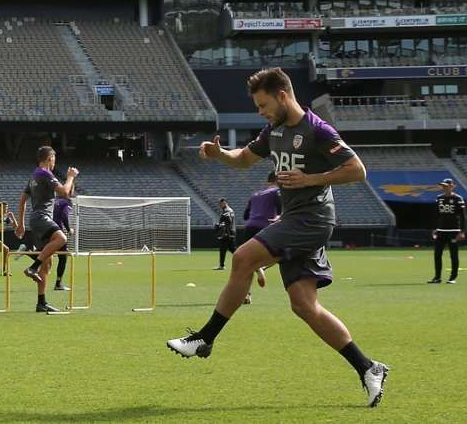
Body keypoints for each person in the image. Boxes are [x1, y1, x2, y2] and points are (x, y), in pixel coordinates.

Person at [167, 67, 389, 409]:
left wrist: (311, 178)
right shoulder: (274, 130)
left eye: (263, 104)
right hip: (296, 219)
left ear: (283, 96)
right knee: (304, 305)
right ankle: (368, 367)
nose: (260, 112)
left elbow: (357, 169)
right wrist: (219, 154)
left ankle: (204, 338)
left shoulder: (317, 130)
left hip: (311, 218)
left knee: (242, 258)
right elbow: (244, 159)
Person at [14, 146, 76, 314]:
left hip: (36, 220)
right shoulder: (45, 173)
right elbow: (64, 192)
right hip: (42, 218)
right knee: (61, 239)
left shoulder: (34, 175)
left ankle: (41, 303)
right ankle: (33, 267)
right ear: (50, 159)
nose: (55, 163)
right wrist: (70, 176)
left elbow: (22, 200)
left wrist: (21, 224)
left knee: (47, 264)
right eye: (54, 159)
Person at [241, 172, 280, 303]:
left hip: (250, 227)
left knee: (247, 263)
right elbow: (282, 209)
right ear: (277, 180)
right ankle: (261, 267)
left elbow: (245, 215)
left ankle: (246, 296)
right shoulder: (277, 192)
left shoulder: (255, 194)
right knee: (284, 254)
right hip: (266, 226)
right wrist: (279, 217)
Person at [430, 178, 466, 284]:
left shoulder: (458, 199)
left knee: (453, 255)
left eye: (447, 186)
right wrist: (435, 229)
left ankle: (452, 278)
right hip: (441, 230)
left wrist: (462, 231)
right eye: (443, 186)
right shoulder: (439, 198)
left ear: (452, 186)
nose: (445, 188)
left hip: (454, 231)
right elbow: (437, 215)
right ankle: (437, 277)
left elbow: (463, 216)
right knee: (437, 254)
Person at [52, 191, 73, 292]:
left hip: (45, 227)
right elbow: (64, 216)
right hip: (56, 230)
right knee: (63, 257)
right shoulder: (67, 202)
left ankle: (29, 251)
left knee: (44, 253)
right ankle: (58, 283)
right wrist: (69, 230)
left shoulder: (54, 200)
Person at [215, 199, 237, 270]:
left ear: (224, 203)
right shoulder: (230, 210)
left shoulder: (227, 211)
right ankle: (222, 265)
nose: (220, 206)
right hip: (230, 232)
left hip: (227, 233)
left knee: (226, 249)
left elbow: (228, 221)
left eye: (221, 204)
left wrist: (221, 227)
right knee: (229, 249)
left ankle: (222, 265)